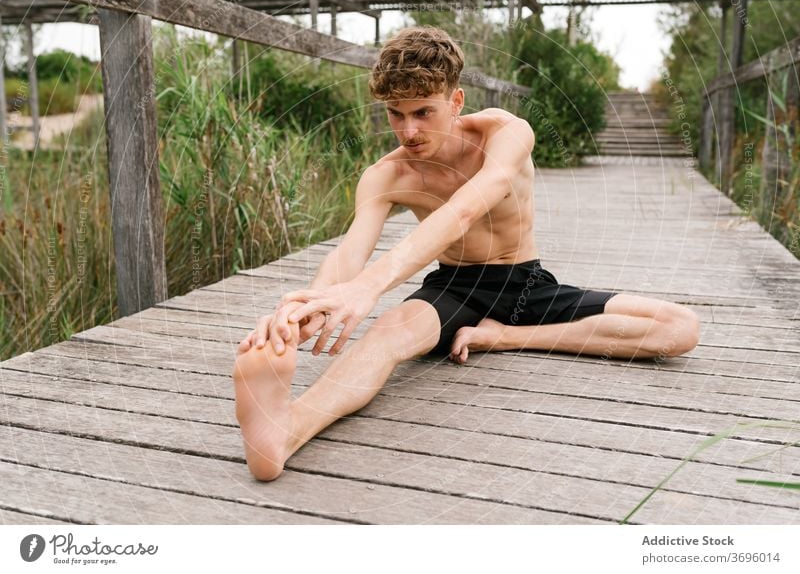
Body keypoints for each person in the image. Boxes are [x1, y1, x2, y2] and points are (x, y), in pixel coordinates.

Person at [231, 26, 700, 481]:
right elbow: (351, 251)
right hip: (454, 287)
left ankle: (507, 337)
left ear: (455, 101)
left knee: (679, 329)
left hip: (526, 285)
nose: (408, 130)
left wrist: (370, 288)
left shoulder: (506, 132)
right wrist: (304, 306)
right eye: (395, 114)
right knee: (386, 336)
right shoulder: (387, 175)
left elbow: (463, 211)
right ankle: (284, 431)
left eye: (423, 112)